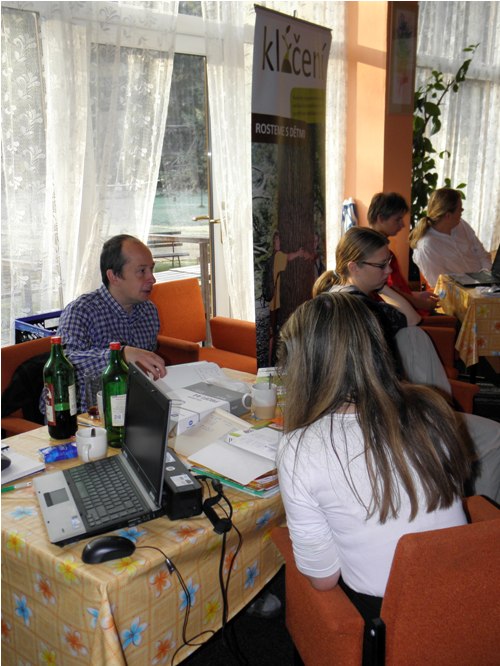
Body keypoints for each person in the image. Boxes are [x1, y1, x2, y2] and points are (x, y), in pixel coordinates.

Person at [276, 292, 471, 655]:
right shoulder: (431, 407)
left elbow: (323, 579)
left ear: (302, 367)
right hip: (468, 591)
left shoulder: (299, 449)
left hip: (388, 623)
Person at [312, 227, 500, 503]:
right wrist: (384, 288)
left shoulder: (331, 299)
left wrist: (379, 282)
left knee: (413, 337)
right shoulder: (366, 310)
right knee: (496, 437)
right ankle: (480, 510)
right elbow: (412, 317)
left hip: (365, 411)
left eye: (388, 262)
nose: (389, 270)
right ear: (353, 266)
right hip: (389, 418)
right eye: (381, 265)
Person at [56, 234, 167, 411]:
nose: (152, 278)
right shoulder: (81, 310)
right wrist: (120, 355)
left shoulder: (148, 310)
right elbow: (65, 362)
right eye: (142, 271)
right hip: (85, 414)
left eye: (151, 269)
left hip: (131, 405)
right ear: (114, 276)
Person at [367, 192, 440, 315]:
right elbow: (387, 292)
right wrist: (421, 303)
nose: (403, 225)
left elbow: (394, 289)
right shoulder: (375, 253)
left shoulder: (379, 248)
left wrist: (415, 295)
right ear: (381, 218)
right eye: (398, 219)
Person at [409, 187, 491, 289]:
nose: (462, 210)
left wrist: (486, 276)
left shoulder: (461, 225)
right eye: (460, 209)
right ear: (448, 216)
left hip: (486, 285)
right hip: (462, 292)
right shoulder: (427, 246)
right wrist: (477, 289)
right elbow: (440, 284)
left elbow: (482, 254)